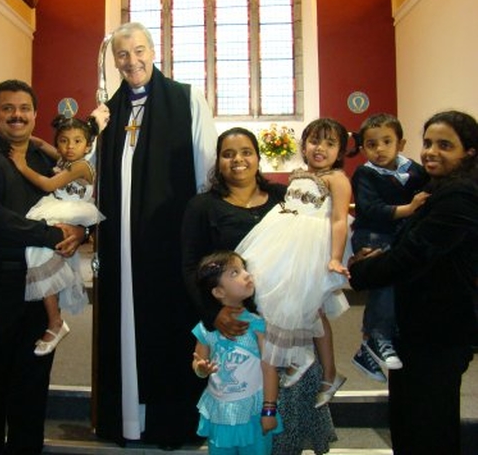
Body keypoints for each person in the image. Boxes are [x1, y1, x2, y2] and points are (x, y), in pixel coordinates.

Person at [89, 21, 218, 448]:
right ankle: (128, 420)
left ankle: (169, 422)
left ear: (153, 50)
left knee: (167, 326)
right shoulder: (110, 111)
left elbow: (207, 169)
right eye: (122, 55)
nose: (132, 61)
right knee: (123, 325)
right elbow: (88, 173)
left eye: (139, 51)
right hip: (119, 244)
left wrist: (202, 232)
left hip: (168, 240)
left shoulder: (185, 99)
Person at [182, 127, 337, 455]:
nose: (238, 159)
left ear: (257, 156)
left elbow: (318, 234)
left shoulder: (285, 197)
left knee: (288, 409)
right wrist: (215, 313)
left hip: (287, 317)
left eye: (245, 152)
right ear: (218, 162)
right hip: (239, 326)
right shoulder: (202, 206)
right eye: (228, 154)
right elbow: (190, 266)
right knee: (244, 415)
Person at [0, 79, 85, 454]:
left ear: (34, 115)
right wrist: (53, 234)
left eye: (24, 109)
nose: (17, 115)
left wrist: (80, 230)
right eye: (7, 109)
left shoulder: (46, 158)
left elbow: (76, 199)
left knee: (33, 382)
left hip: (41, 285)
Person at [349, 110, 478, 455]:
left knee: (429, 426)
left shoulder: (461, 196)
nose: (431, 151)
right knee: (410, 420)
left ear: (469, 152)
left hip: (440, 329)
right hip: (418, 327)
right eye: (429, 143)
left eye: (445, 145)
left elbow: (415, 254)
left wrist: (360, 272)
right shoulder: (435, 187)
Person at [235, 118, 351, 408]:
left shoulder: (337, 179)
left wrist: (336, 257)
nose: (320, 148)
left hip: (312, 248)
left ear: (341, 151)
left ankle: (326, 372)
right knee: (280, 300)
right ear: (303, 145)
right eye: (314, 141)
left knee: (313, 308)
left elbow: (338, 220)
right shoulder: (299, 174)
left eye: (329, 143)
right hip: (284, 242)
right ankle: (299, 356)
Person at [9, 114, 104, 356]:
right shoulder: (65, 158)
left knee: (37, 254)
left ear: (88, 145)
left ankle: (55, 321)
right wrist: (27, 137)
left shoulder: (81, 165)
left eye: (77, 141)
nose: (69, 146)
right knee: (39, 253)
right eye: (63, 141)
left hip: (70, 209)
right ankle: (55, 316)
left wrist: (21, 165)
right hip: (57, 206)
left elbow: (48, 185)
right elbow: (42, 145)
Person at [347, 113, 429, 382]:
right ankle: (376, 335)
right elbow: (370, 209)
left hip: (401, 235)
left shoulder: (415, 171)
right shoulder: (365, 174)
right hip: (373, 236)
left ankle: (368, 350)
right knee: (385, 281)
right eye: (371, 144)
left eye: (386, 141)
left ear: (401, 143)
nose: (379, 149)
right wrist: (409, 208)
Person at [192, 250, 282, 455]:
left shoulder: (258, 324)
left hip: (253, 412)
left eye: (243, 269)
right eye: (234, 273)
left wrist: (269, 409)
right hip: (220, 413)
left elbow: (270, 369)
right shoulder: (206, 328)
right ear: (218, 292)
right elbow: (198, 362)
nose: (246, 275)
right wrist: (201, 369)